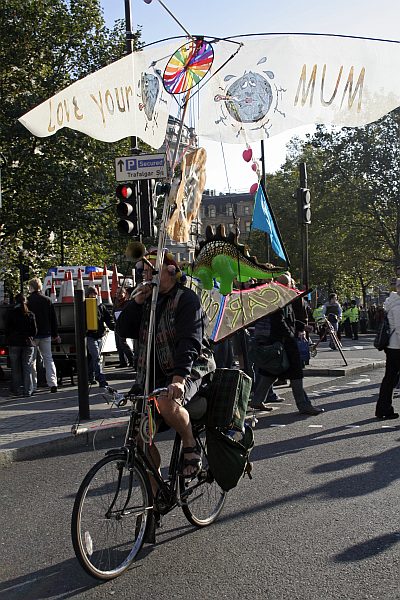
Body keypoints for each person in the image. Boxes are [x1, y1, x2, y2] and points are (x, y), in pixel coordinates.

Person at [116, 249, 216, 478]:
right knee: (139, 436)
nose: (146, 276)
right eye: (143, 272)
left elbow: (189, 341)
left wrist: (179, 379)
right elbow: (122, 330)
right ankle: (154, 496)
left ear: (171, 272)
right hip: (152, 374)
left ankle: (190, 446)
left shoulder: (186, 299)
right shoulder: (146, 302)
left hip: (189, 369)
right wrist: (135, 303)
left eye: (152, 271)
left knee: (166, 401)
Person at [251, 273, 324, 416]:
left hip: (278, 340)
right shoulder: (279, 298)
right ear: (287, 285)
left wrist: (301, 326)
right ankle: (303, 405)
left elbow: (289, 319)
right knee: (296, 373)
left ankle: (257, 400)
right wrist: (291, 336)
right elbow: (279, 322)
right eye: (291, 284)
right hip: (284, 342)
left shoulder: (281, 296)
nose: (293, 287)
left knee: (270, 371)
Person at [27, 277, 60, 393]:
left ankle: (33, 386)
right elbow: (53, 319)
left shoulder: (28, 301)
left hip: (33, 335)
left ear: (31, 287)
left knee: (32, 361)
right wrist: (55, 334)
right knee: (48, 358)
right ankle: (52, 383)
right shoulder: (47, 300)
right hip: (46, 333)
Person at [375, 279, 400, 420]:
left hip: (392, 347)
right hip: (397, 346)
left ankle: (383, 408)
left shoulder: (393, 303)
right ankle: (384, 408)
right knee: (390, 379)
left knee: (389, 379)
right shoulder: (397, 306)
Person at [5, 293, 37, 397]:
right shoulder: (30, 314)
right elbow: (35, 331)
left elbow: (7, 329)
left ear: (15, 301)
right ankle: (28, 391)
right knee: (27, 367)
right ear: (26, 301)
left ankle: (16, 390)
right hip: (28, 343)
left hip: (14, 343)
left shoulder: (11, 313)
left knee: (15, 368)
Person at [86, 287, 115, 387]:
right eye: (92, 294)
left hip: (98, 335)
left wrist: (114, 327)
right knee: (96, 357)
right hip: (90, 336)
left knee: (94, 358)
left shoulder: (100, 306)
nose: (94, 296)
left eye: (95, 294)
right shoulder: (85, 306)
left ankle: (91, 376)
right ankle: (100, 378)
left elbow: (108, 318)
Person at [113, 286, 135, 368]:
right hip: (117, 325)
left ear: (124, 294)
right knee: (118, 345)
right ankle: (122, 362)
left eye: (120, 293)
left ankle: (131, 360)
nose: (118, 295)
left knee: (122, 343)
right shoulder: (116, 303)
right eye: (117, 293)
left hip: (123, 326)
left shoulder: (127, 303)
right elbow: (113, 313)